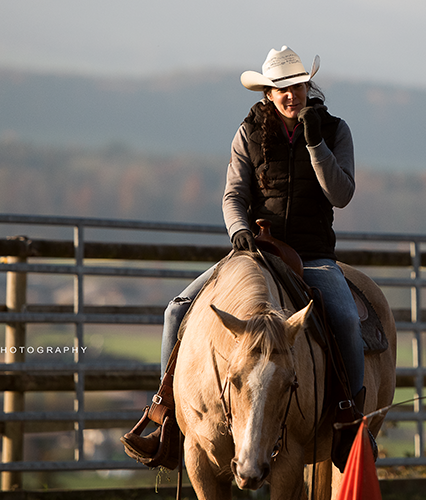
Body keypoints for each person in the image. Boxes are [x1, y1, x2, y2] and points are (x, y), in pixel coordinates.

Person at [124, 46, 367, 470]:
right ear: (268, 93)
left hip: (313, 255)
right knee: (176, 310)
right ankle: (167, 420)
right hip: (256, 250)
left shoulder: (334, 130)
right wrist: (238, 231)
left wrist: (315, 145)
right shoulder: (249, 131)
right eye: (281, 88)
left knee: (346, 318)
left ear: (308, 86)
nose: (290, 94)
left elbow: (341, 195)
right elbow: (234, 194)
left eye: (296, 85)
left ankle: (348, 422)